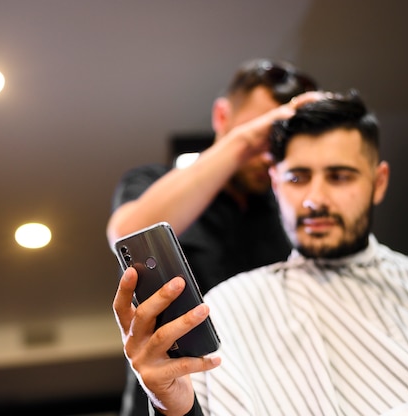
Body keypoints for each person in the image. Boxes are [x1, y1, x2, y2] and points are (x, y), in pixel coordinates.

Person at [112, 91, 408, 416]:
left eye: (340, 177)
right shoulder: (227, 307)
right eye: (298, 178)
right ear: (275, 184)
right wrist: (175, 406)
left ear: (378, 182)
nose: (315, 199)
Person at [106, 58, 319, 416]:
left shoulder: (285, 208)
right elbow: (127, 234)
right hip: (169, 399)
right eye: (262, 128)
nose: (268, 150)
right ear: (223, 118)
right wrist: (245, 142)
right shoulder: (153, 181)